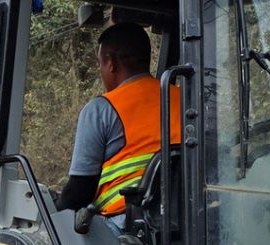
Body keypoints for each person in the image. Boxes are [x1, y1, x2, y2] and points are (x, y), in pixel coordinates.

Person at [54, 22, 181, 230]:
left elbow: (79, 193)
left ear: (111, 63)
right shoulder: (183, 99)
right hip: (183, 223)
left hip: (126, 228)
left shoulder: (101, 109)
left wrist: (53, 209)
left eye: (100, 64)